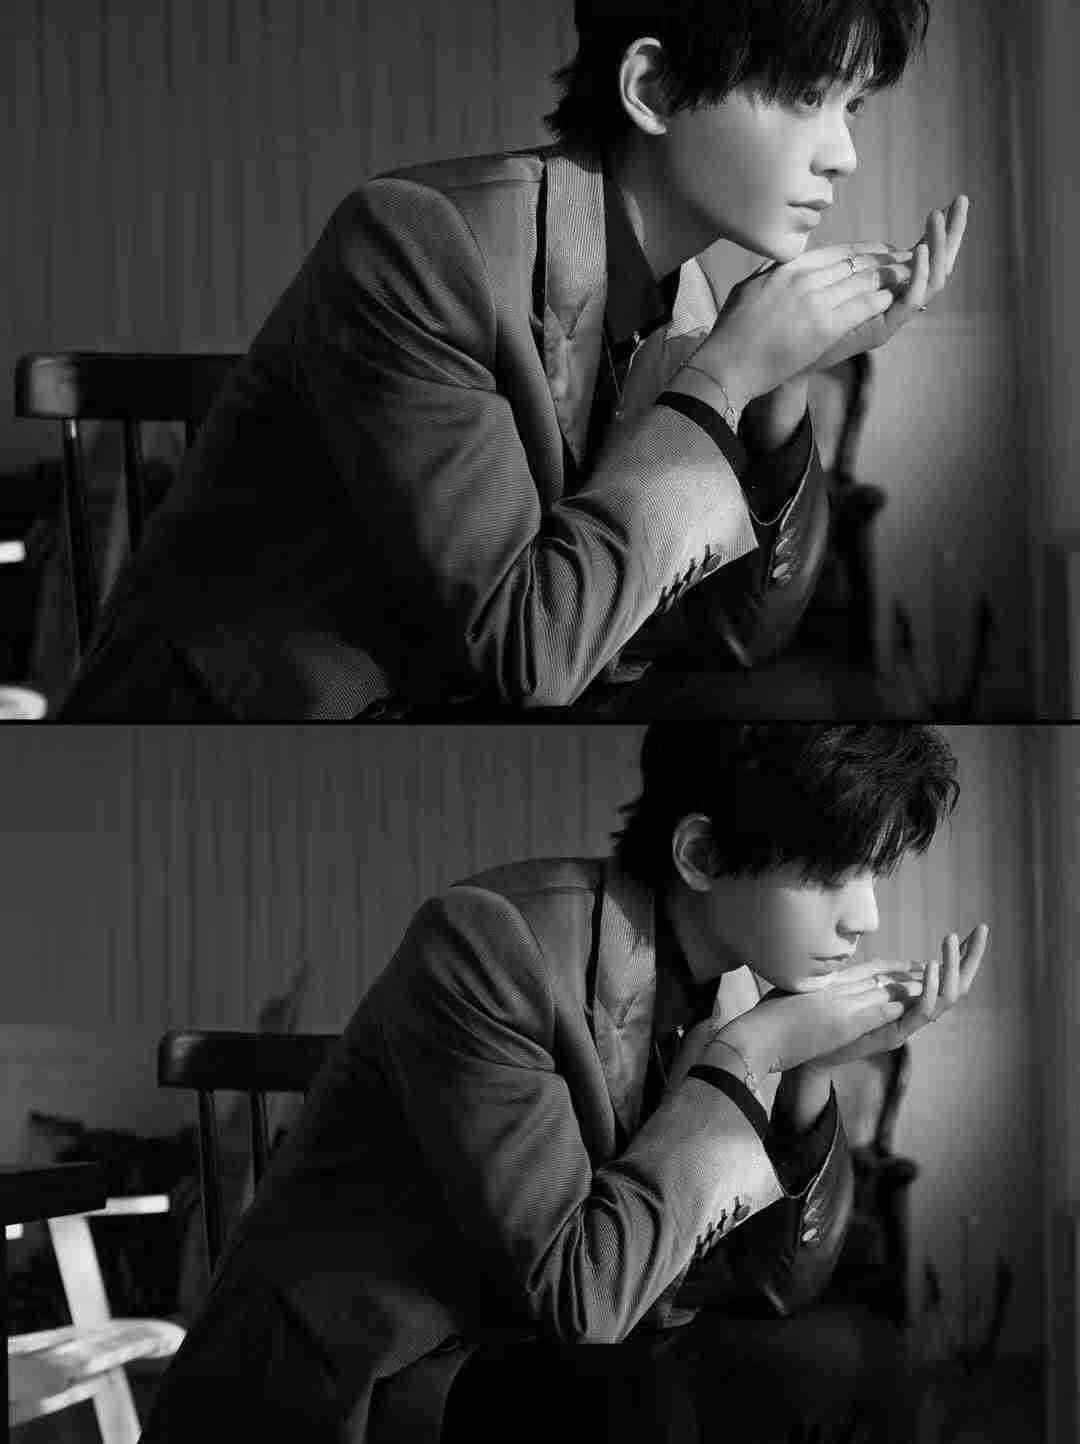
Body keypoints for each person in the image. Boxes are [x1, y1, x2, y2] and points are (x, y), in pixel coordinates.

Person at [59, 0, 968, 720]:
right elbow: (525, 652)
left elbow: (738, 636)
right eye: (805, 96)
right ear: (651, 88)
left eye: (852, 105)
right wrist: (722, 378)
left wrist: (781, 382)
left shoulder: (691, 300)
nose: (845, 154)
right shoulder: (417, 242)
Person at [137, 724, 989, 1443]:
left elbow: (776, 1284)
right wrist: (752, 1050)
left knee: (864, 1366)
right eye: (831, 873)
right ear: (699, 855)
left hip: (554, 1344)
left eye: (872, 873)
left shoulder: (737, 981)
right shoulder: (489, 943)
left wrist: (809, 1066)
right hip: (370, 1372)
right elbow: (581, 1298)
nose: (866, 917)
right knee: (646, 1403)